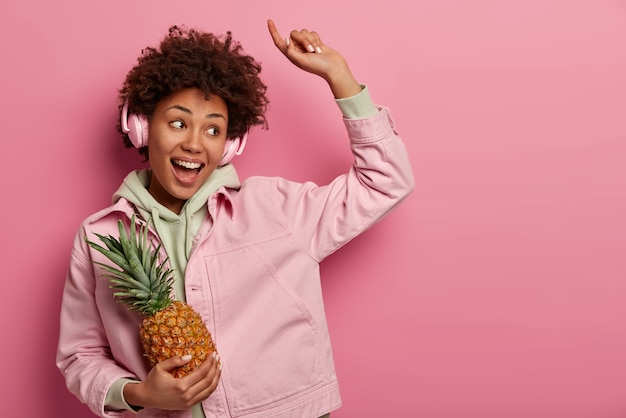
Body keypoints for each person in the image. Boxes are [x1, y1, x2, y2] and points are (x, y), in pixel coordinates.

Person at [57, 19, 414, 418]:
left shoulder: (276, 208)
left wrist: (339, 77)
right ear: (141, 126)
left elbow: (386, 182)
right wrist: (139, 394)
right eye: (178, 123)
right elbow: (80, 355)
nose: (194, 143)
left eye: (213, 129)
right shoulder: (99, 237)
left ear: (230, 144)